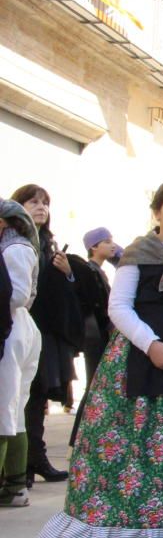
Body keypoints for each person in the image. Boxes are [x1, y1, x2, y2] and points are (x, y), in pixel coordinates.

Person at [37, 179, 163, 538]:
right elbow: (119, 307)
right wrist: (151, 345)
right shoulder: (138, 253)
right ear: (157, 212)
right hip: (138, 357)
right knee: (128, 448)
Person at [11, 184, 83, 484]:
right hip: (19, 327)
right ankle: (19, 466)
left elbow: (63, 291)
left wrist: (66, 272)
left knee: (38, 396)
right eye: (33, 201)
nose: (41, 207)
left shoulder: (48, 244)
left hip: (45, 333)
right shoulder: (15, 243)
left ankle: (34, 459)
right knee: (18, 398)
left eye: (45, 203)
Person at [0, 200, 41, 507]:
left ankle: (14, 486)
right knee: (13, 410)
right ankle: (15, 487)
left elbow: (16, 295)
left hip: (11, 328)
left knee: (5, 408)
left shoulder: (14, 248)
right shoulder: (18, 245)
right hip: (19, 328)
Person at [67, 227, 120, 447]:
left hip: (98, 334)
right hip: (94, 336)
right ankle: (79, 439)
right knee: (94, 387)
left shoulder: (99, 271)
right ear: (94, 247)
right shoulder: (87, 271)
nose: (113, 245)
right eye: (107, 241)